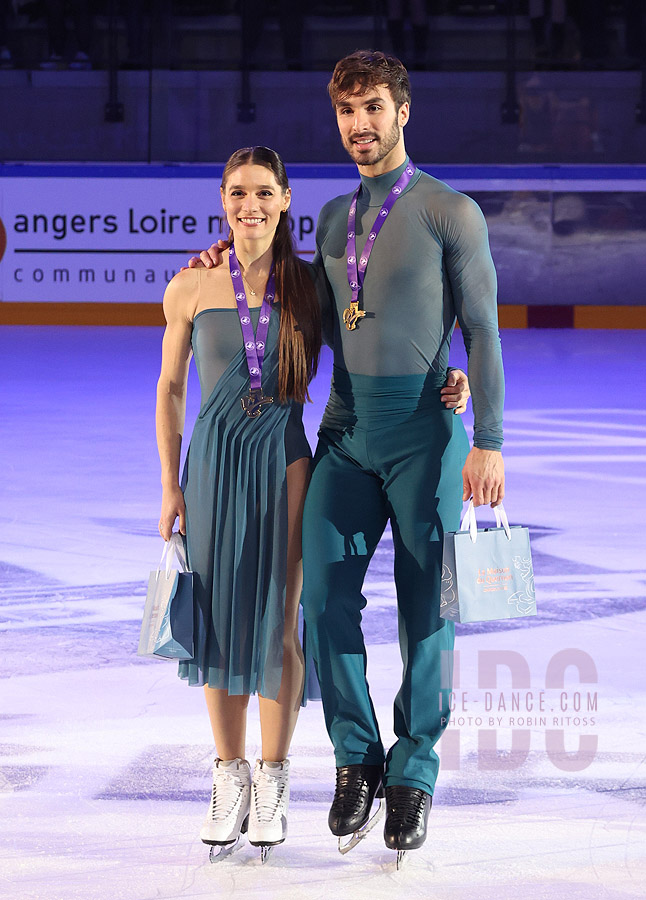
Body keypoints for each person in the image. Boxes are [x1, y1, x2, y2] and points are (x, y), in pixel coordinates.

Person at [299, 50, 504, 861]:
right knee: (323, 601)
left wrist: (488, 439)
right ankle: (357, 759)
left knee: (428, 610)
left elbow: (482, 330)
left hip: (426, 434)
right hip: (346, 436)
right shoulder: (325, 220)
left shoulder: (451, 212)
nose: (360, 124)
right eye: (348, 110)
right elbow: (308, 324)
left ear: (403, 112)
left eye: (374, 107)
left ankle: (414, 771)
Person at [156, 146, 322, 860]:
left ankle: (275, 778)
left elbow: (375, 353)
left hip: (284, 464)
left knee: (280, 620)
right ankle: (230, 777)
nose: (248, 205)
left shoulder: (311, 286)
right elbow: (168, 390)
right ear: (223, 200)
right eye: (236, 193)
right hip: (212, 471)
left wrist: (455, 379)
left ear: (286, 199)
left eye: (262, 192)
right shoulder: (190, 286)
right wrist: (169, 484)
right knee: (221, 624)